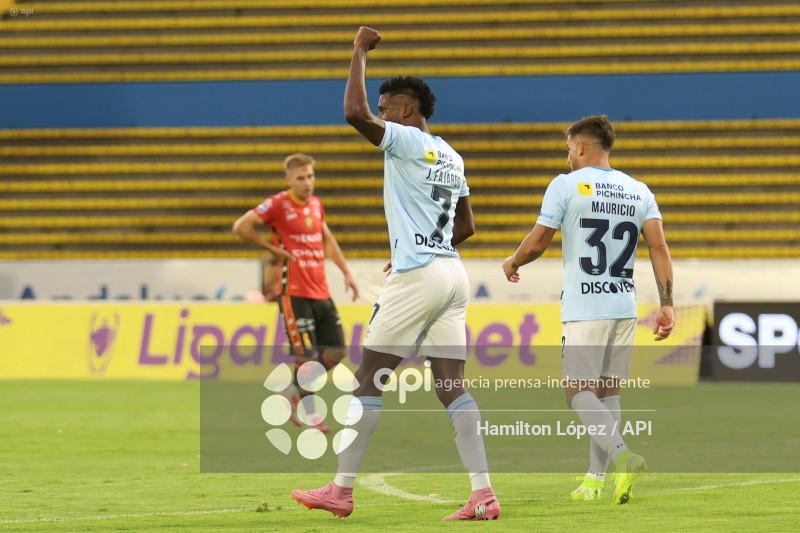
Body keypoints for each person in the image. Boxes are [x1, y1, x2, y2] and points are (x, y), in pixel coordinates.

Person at [291, 26, 500, 521]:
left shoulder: (404, 140)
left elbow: (352, 114)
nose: (380, 113)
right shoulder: (452, 154)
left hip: (419, 275)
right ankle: (483, 493)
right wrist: (425, 243)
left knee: (368, 378)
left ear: (407, 111)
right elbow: (467, 224)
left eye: (387, 106)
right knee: (451, 385)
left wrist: (358, 50)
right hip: (452, 274)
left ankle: (340, 490)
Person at [502, 115, 674, 505]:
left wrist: (512, 262)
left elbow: (538, 241)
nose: (567, 156)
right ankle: (596, 480)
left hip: (585, 307)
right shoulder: (638, 189)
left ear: (580, 146)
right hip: (623, 305)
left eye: (568, 148)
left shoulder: (565, 185)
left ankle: (623, 457)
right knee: (606, 393)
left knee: (577, 393)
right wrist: (667, 304)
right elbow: (659, 246)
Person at [233, 152, 359, 433]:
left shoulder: (315, 204)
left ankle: (291, 389)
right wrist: (274, 250)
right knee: (306, 355)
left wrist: (347, 273)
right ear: (289, 180)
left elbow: (328, 240)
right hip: (294, 293)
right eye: (301, 178)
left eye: (311, 176)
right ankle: (309, 412)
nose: (307, 183)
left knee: (337, 351)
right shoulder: (278, 204)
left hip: (321, 290)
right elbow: (241, 226)